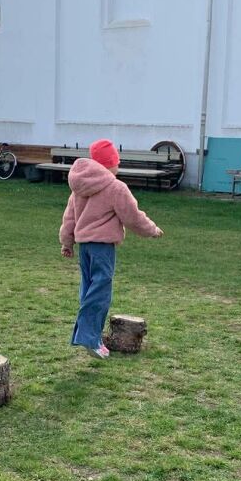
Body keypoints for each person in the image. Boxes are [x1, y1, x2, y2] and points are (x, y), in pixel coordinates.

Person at [59, 139, 163, 359]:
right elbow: (132, 217)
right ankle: (89, 338)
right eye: (117, 161)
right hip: (102, 248)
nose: (118, 165)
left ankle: (92, 337)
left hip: (85, 247)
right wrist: (152, 230)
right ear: (110, 163)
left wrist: (66, 242)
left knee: (89, 289)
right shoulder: (115, 187)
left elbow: (69, 217)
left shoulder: (79, 187)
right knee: (100, 292)